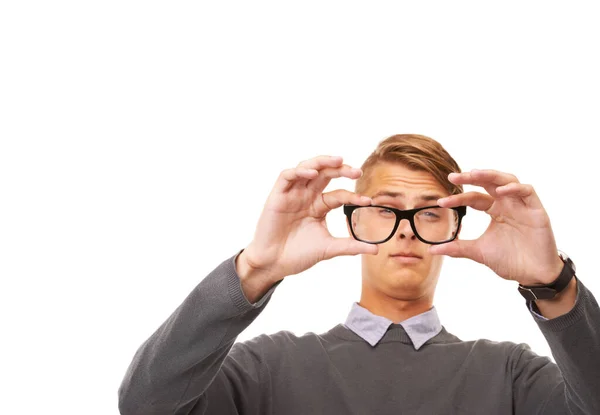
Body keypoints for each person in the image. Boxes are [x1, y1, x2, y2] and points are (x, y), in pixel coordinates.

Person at [118, 134, 600, 414]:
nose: (406, 231)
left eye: (430, 213)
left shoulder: (509, 375)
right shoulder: (268, 368)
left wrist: (552, 282)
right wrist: (255, 269)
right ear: (353, 219)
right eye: (387, 210)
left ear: (455, 226)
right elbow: (146, 404)